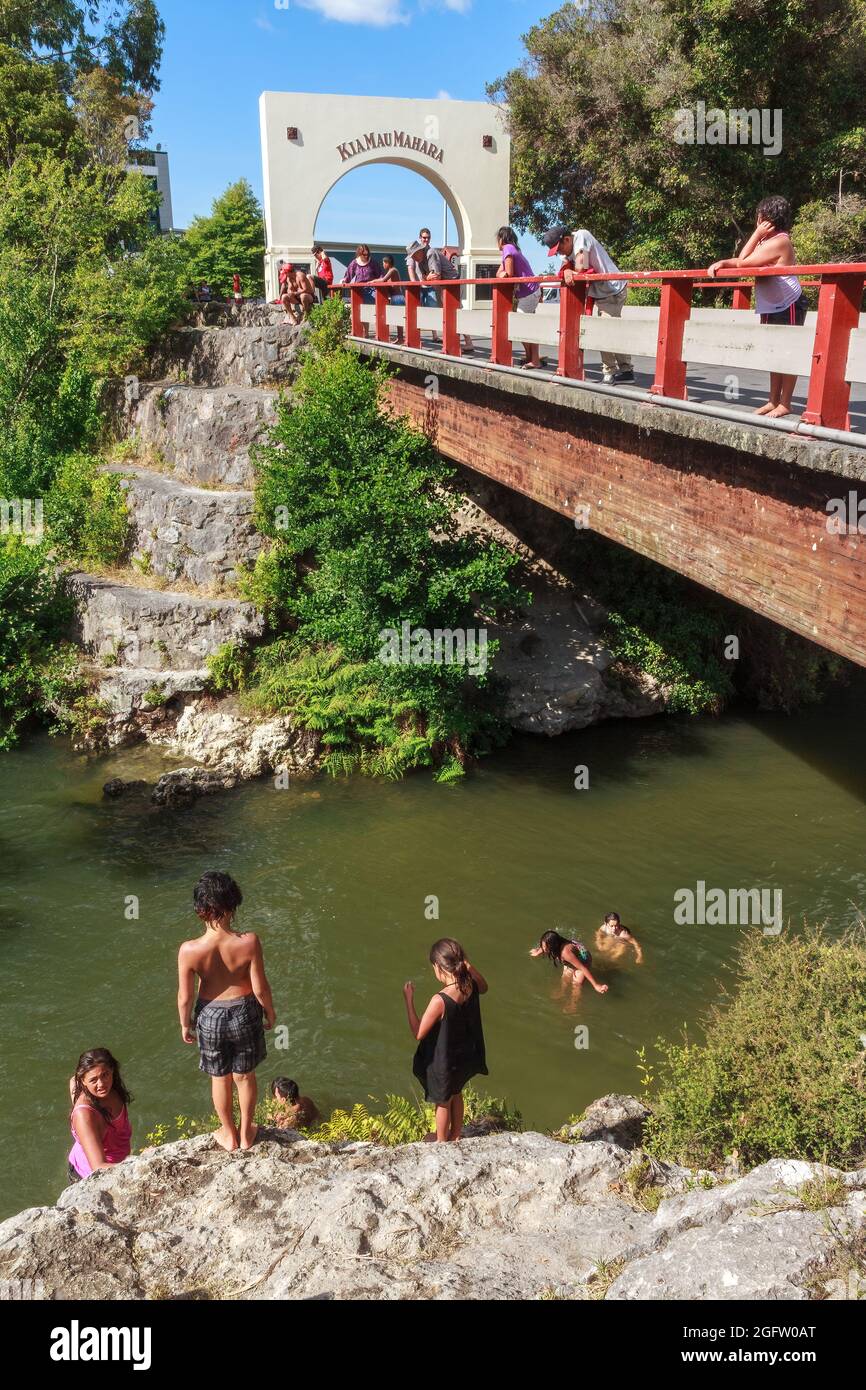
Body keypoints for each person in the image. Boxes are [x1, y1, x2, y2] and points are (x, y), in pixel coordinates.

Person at [177, 870, 276, 1152]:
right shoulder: (249, 942)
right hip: (245, 1011)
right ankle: (247, 1134)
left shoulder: (189, 950)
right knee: (244, 1076)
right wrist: (270, 1013)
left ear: (199, 910)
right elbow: (260, 988)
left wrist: (185, 1024)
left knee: (219, 1078)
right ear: (234, 905)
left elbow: (185, 996)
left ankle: (229, 1135)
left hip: (209, 1015)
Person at [707, 196, 805, 418]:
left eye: (760, 216)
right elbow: (744, 260)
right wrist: (724, 262)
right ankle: (773, 400)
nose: (757, 220)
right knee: (774, 352)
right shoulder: (766, 242)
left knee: (787, 353)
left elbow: (743, 263)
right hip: (772, 304)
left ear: (766, 219)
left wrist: (756, 234)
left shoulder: (780, 241)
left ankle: (785, 403)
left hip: (788, 303)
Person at [404, 938, 488, 1143]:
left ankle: (442, 1143)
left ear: (438, 967)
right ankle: (455, 1134)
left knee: (442, 1102)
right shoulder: (470, 983)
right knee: (456, 1093)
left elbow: (418, 1033)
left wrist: (408, 1000)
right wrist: (468, 964)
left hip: (443, 1061)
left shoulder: (440, 1000)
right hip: (463, 1055)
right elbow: (484, 987)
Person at [543, 226, 634, 385]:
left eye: (559, 249)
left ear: (566, 239)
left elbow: (581, 267)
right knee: (612, 330)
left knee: (603, 329)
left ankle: (609, 372)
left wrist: (569, 270)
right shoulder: (569, 249)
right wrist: (567, 270)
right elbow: (566, 269)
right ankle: (626, 371)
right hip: (602, 292)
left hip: (613, 289)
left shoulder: (581, 237)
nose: (560, 253)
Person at [67, 1048, 133, 1183]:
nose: (101, 1084)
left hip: (119, 1164)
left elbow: (73, 1080)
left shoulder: (111, 1089)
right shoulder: (84, 1115)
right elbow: (98, 1167)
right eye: (93, 1080)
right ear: (83, 1081)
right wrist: (139, 1163)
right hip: (89, 1177)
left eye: (105, 1075)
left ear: (112, 1071)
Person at [406, 240, 474, 355]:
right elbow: (424, 279)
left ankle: (467, 342)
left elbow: (436, 276)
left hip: (451, 284)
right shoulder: (420, 261)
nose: (414, 258)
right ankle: (454, 344)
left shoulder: (431, 253)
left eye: (414, 255)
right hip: (441, 286)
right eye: (412, 256)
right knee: (446, 315)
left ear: (419, 251)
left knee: (455, 313)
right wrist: (428, 278)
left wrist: (428, 278)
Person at [496, 225, 541, 370]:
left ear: (501, 239)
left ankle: (535, 360)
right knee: (525, 326)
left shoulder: (507, 248)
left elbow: (507, 273)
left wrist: (504, 273)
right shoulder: (514, 249)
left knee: (521, 326)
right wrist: (502, 273)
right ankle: (530, 357)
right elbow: (499, 273)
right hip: (530, 291)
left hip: (528, 291)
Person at [530, 929, 609, 994]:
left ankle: (573, 1006)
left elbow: (582, 968)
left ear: (553, 946)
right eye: (543, 946)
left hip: (583, 960)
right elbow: (548, 941)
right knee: (565, 979)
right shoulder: (556, 940)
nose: (543, 949)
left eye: (545, 947)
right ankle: (561, 992)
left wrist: (596, 985)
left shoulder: (565, 953)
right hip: (574, 956)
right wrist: (538, 951)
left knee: (576, 986)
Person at [377, 254, 405, 343]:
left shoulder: (393, 270)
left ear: (388, 263)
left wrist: (372, 281)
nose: (383, 265)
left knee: (398, 318)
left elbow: (383, 280)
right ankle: (399, 338)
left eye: (384, 263)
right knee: (396, 318)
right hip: (394, 297)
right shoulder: (390, 270)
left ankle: (400, 338)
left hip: (398, 297)